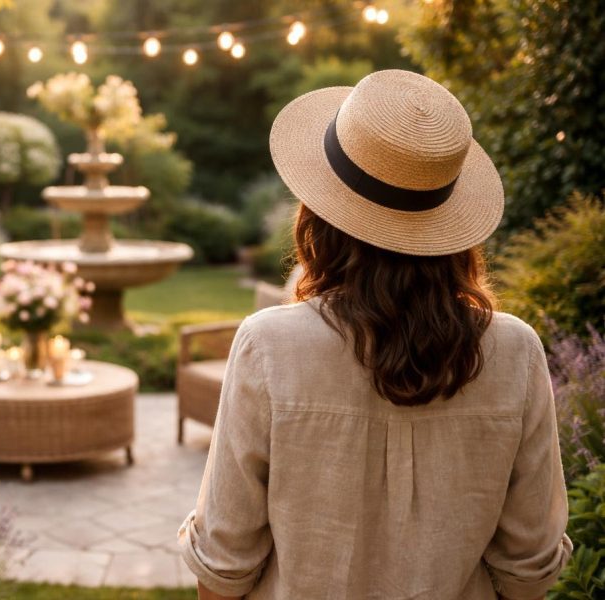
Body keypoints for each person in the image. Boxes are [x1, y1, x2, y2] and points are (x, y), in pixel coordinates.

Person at [178, 70, 571, 599]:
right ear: (451, 226)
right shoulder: (515, 351)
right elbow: (528, 568)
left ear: (318, 215)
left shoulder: (269, 346)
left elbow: (224, 563)